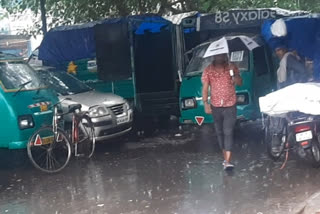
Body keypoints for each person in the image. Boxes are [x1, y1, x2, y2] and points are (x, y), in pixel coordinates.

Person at [201, 53, 242, 170]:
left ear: (225, 55)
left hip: (230, 104)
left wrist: (234, 75)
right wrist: (205, 103)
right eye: (217, 55)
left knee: (228, 131)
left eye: (222, 55)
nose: (219, 57)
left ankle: (228, 161)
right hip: (216, 106)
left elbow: (239, 82)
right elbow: (205, 87)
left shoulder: (231, 67)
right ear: (214, 57)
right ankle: (225, 159)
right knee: (220, 132)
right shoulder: (208, 70)